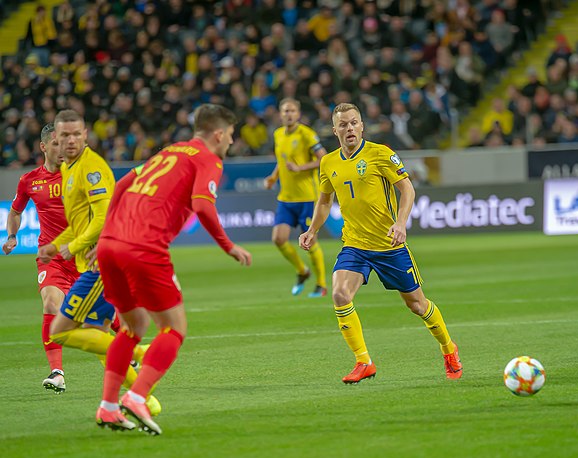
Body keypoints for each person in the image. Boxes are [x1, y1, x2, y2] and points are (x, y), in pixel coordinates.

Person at [95, 104, 252, 435]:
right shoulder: (209, 159)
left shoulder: (169, 152)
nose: (231, 142)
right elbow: (202, 205)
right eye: (231, 135)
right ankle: (137, 397)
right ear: (218, 133)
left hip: (110, 244)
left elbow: (122, 184)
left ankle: (108, 407)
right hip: (144, 246)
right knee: (174, 327)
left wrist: (108, 232)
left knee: (132, 326)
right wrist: (229, 245)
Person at [298, 103, 462, 383]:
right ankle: (364, 362)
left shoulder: (381, 154)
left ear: (362, 126)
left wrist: (400, 222)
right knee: (339, 295)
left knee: (417, 306)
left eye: (354, 123)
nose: (349, 128)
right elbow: (325, 200)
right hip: (355, 245)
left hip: (388, 245)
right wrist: (313, 229)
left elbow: (407, 188)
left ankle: (448, 348)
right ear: (334, 129)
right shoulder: (328, 163)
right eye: (343, 124)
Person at [37, 110, 153, 406]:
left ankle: (138, 357)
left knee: (61, 330)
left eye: (76, 134)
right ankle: (140, 398)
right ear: (56, 140)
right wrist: (55, 245)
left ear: (86, 134)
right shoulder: (69, 169)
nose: (71, 140)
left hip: (105, 259)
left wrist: (73, 245)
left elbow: (102, 217)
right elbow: (79, 222)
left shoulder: (91, 168)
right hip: (101, 258)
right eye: (65, 136)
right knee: (95, 332)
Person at [3, 123, 80, 392]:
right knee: (50, 303)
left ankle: (130, 354)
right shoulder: (29, 181)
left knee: (105, 316)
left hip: (83, 255)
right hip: (51, 257)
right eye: (56, 144)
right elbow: (14, 211)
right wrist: (12, 236)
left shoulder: (81, 175)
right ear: (44, 146)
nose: (63, 149)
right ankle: (57, 372)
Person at [265, 98, 328, 297]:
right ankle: (302, 271)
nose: (289, 114)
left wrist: (300, 168)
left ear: (298, 114)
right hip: (286, 198)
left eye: (292, 111)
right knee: (278, 239)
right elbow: (282, 161)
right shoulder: (278, 134)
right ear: (280, 114)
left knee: (310, 242)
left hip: (307, 198)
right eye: (285, 111)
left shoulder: (307, 134)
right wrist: (273, 177)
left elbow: (323, 158)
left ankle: (321, 285)